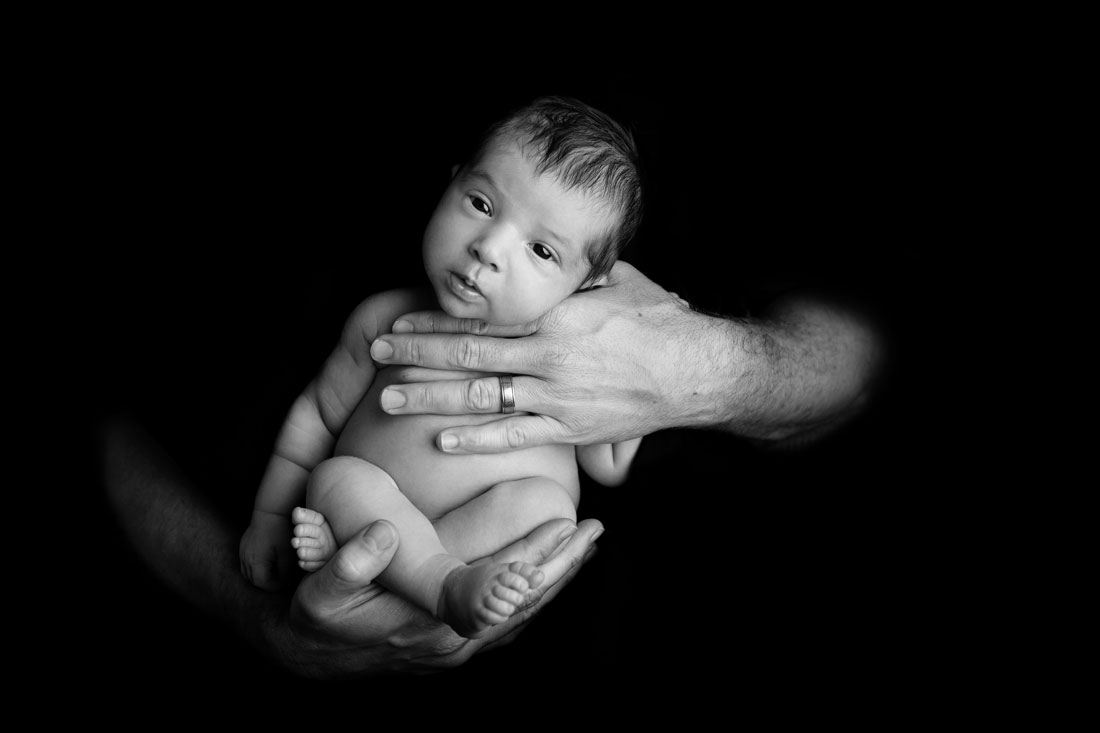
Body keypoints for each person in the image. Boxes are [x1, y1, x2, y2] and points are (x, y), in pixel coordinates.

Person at [238, 96, 645, 638]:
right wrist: (268, 519)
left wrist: (635, 370)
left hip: (478, 538)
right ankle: (426, 580)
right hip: (373, 515)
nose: (488, 248)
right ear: (450, 183)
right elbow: (317, 415)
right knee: (337, 478)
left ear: (590, 285)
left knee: (549, 509)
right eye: (480, 203)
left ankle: (412, 577)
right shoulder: (385, 318)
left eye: (542, 251)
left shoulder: (573, 360)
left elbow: (609, 465)